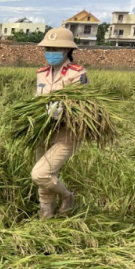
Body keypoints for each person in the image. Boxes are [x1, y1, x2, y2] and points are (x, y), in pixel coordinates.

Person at [31, 27, 90, 218]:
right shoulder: (42, 73)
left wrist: (62, 110)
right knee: (44, 181)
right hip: (43, 131)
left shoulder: (77, 73)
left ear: (66, 51)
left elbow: (83, 105)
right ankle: (45, 219)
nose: (50, 53)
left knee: (40, 174)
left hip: (67, 133)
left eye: (55, 49)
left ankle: (68, 196)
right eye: (48, 48)